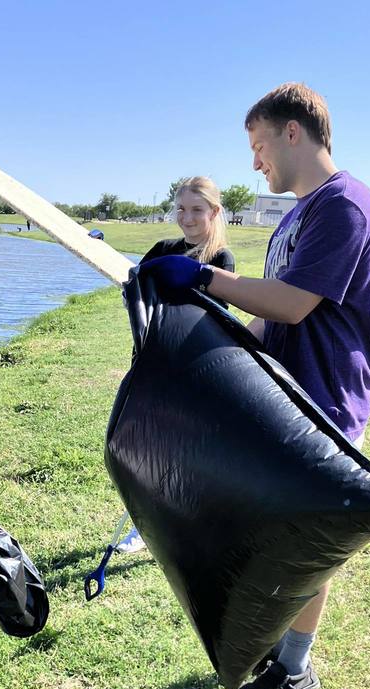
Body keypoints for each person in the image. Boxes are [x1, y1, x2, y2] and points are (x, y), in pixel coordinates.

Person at [139, 83, 370, 689]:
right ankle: (278, 642)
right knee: (274, 526)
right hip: (285, 390)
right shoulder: (301, 212)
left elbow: (295, 306)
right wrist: (214, 348)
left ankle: (295, 664)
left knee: (307, 536)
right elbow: (269, 317)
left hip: (323, 396)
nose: (254, 161)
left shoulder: (343, 207)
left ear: (292, 132)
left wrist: (205, 276)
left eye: (259, 144)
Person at [116, 176, 236, 555]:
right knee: (140, 443)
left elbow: (215, 320)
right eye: (181, 209)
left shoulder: (219, 260)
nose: (187, 217)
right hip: (149, 360)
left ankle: (179, 525)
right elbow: (134, 293)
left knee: (180, 449)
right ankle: (145, 523)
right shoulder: (163, 248)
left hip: (190, 367)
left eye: (197, 210)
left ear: (214, 212)